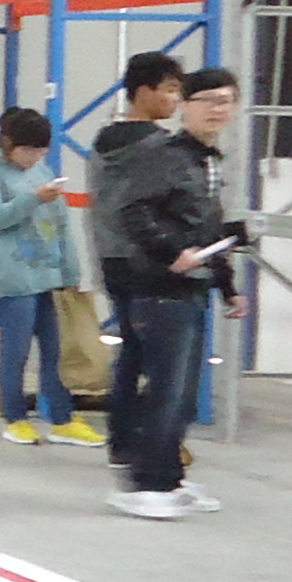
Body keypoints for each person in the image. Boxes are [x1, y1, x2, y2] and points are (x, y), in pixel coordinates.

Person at [103, 67, 247, 522]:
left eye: (227, 100)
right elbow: (132, 213)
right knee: (165, 391)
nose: (218, 109)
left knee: (182, 394)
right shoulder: (164, 156)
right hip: (160, 289)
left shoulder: (207, 161)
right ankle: (147, 483)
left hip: (193, 289)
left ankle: (169, 477)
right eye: (209, 100)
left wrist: (227, 286)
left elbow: (207, 228)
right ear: (186, 104)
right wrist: (170, 252)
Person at [0, 107, 98, 448]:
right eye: (29, 151)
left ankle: (62, 419)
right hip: (14, 281)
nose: (35, 158)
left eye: (42, 151)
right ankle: (15, 419)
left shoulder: (42, 170)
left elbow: (61, 224)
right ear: (9, 144)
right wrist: (32, 199)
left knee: (57, 352)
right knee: (15, 353)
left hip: (50, 276)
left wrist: (71, 272)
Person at [86, 54, 186, 475]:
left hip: (111, 259)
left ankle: (122, 442)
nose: (175, 100)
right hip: (149, 260)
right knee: (166, 361)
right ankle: (154, 444)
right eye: (170, 89)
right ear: (143, 92)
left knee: (130, 352)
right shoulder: (159, 146)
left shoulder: (101, 142)